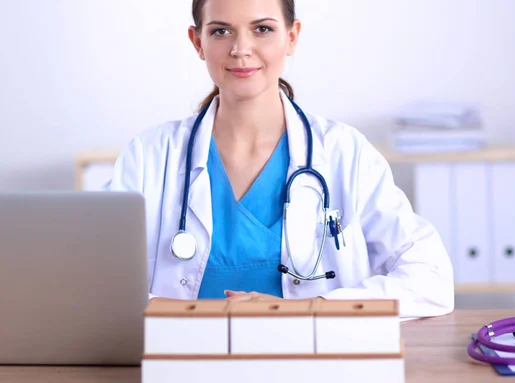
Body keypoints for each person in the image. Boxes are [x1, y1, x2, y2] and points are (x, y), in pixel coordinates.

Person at [107, 0, 454, 318]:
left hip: (312, 361)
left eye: (262, 29)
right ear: (197, 42)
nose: (241, 49)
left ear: (291, 37)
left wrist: (308, 309)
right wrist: (194, 316)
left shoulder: (344, 152)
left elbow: (431, 278)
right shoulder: (149, 157)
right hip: (185, 361)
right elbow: (95, 281)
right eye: (221, 31)